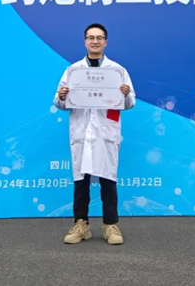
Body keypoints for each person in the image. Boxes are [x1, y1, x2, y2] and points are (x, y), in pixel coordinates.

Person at [53, 23, 136, 245]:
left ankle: (110, 226)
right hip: (82, 133)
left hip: (105, 133)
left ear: (106, 42)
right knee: (81, 182)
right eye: (91, 37)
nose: (95, 41)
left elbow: (130, 103)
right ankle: (81, 224)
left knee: (108, 180)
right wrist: (62, 96)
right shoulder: (73, 71)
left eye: (99, 38)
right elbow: (59, 103)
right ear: (85, 42)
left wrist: (125, 94)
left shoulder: (117, 71)